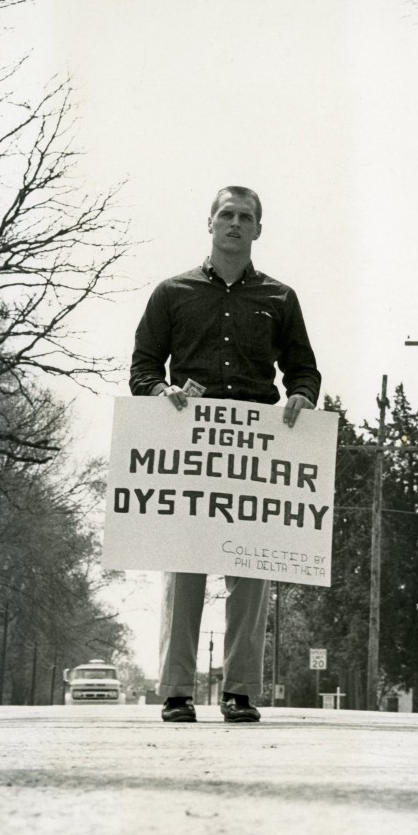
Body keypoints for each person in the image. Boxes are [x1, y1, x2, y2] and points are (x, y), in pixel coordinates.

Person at [129, 186, 321, 723]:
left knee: (251, 569)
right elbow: (143, 366)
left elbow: (303, 369)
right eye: (226, 215)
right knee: (186, 567)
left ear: (258, 229)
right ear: (209, 223)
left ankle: (240, 690)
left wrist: (303, 395)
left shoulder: (281, 299)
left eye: (245, 217)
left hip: (255, 451)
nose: (235, 224)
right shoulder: (172, 293)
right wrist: (157, 393)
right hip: (192, 445)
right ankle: (176, 691)